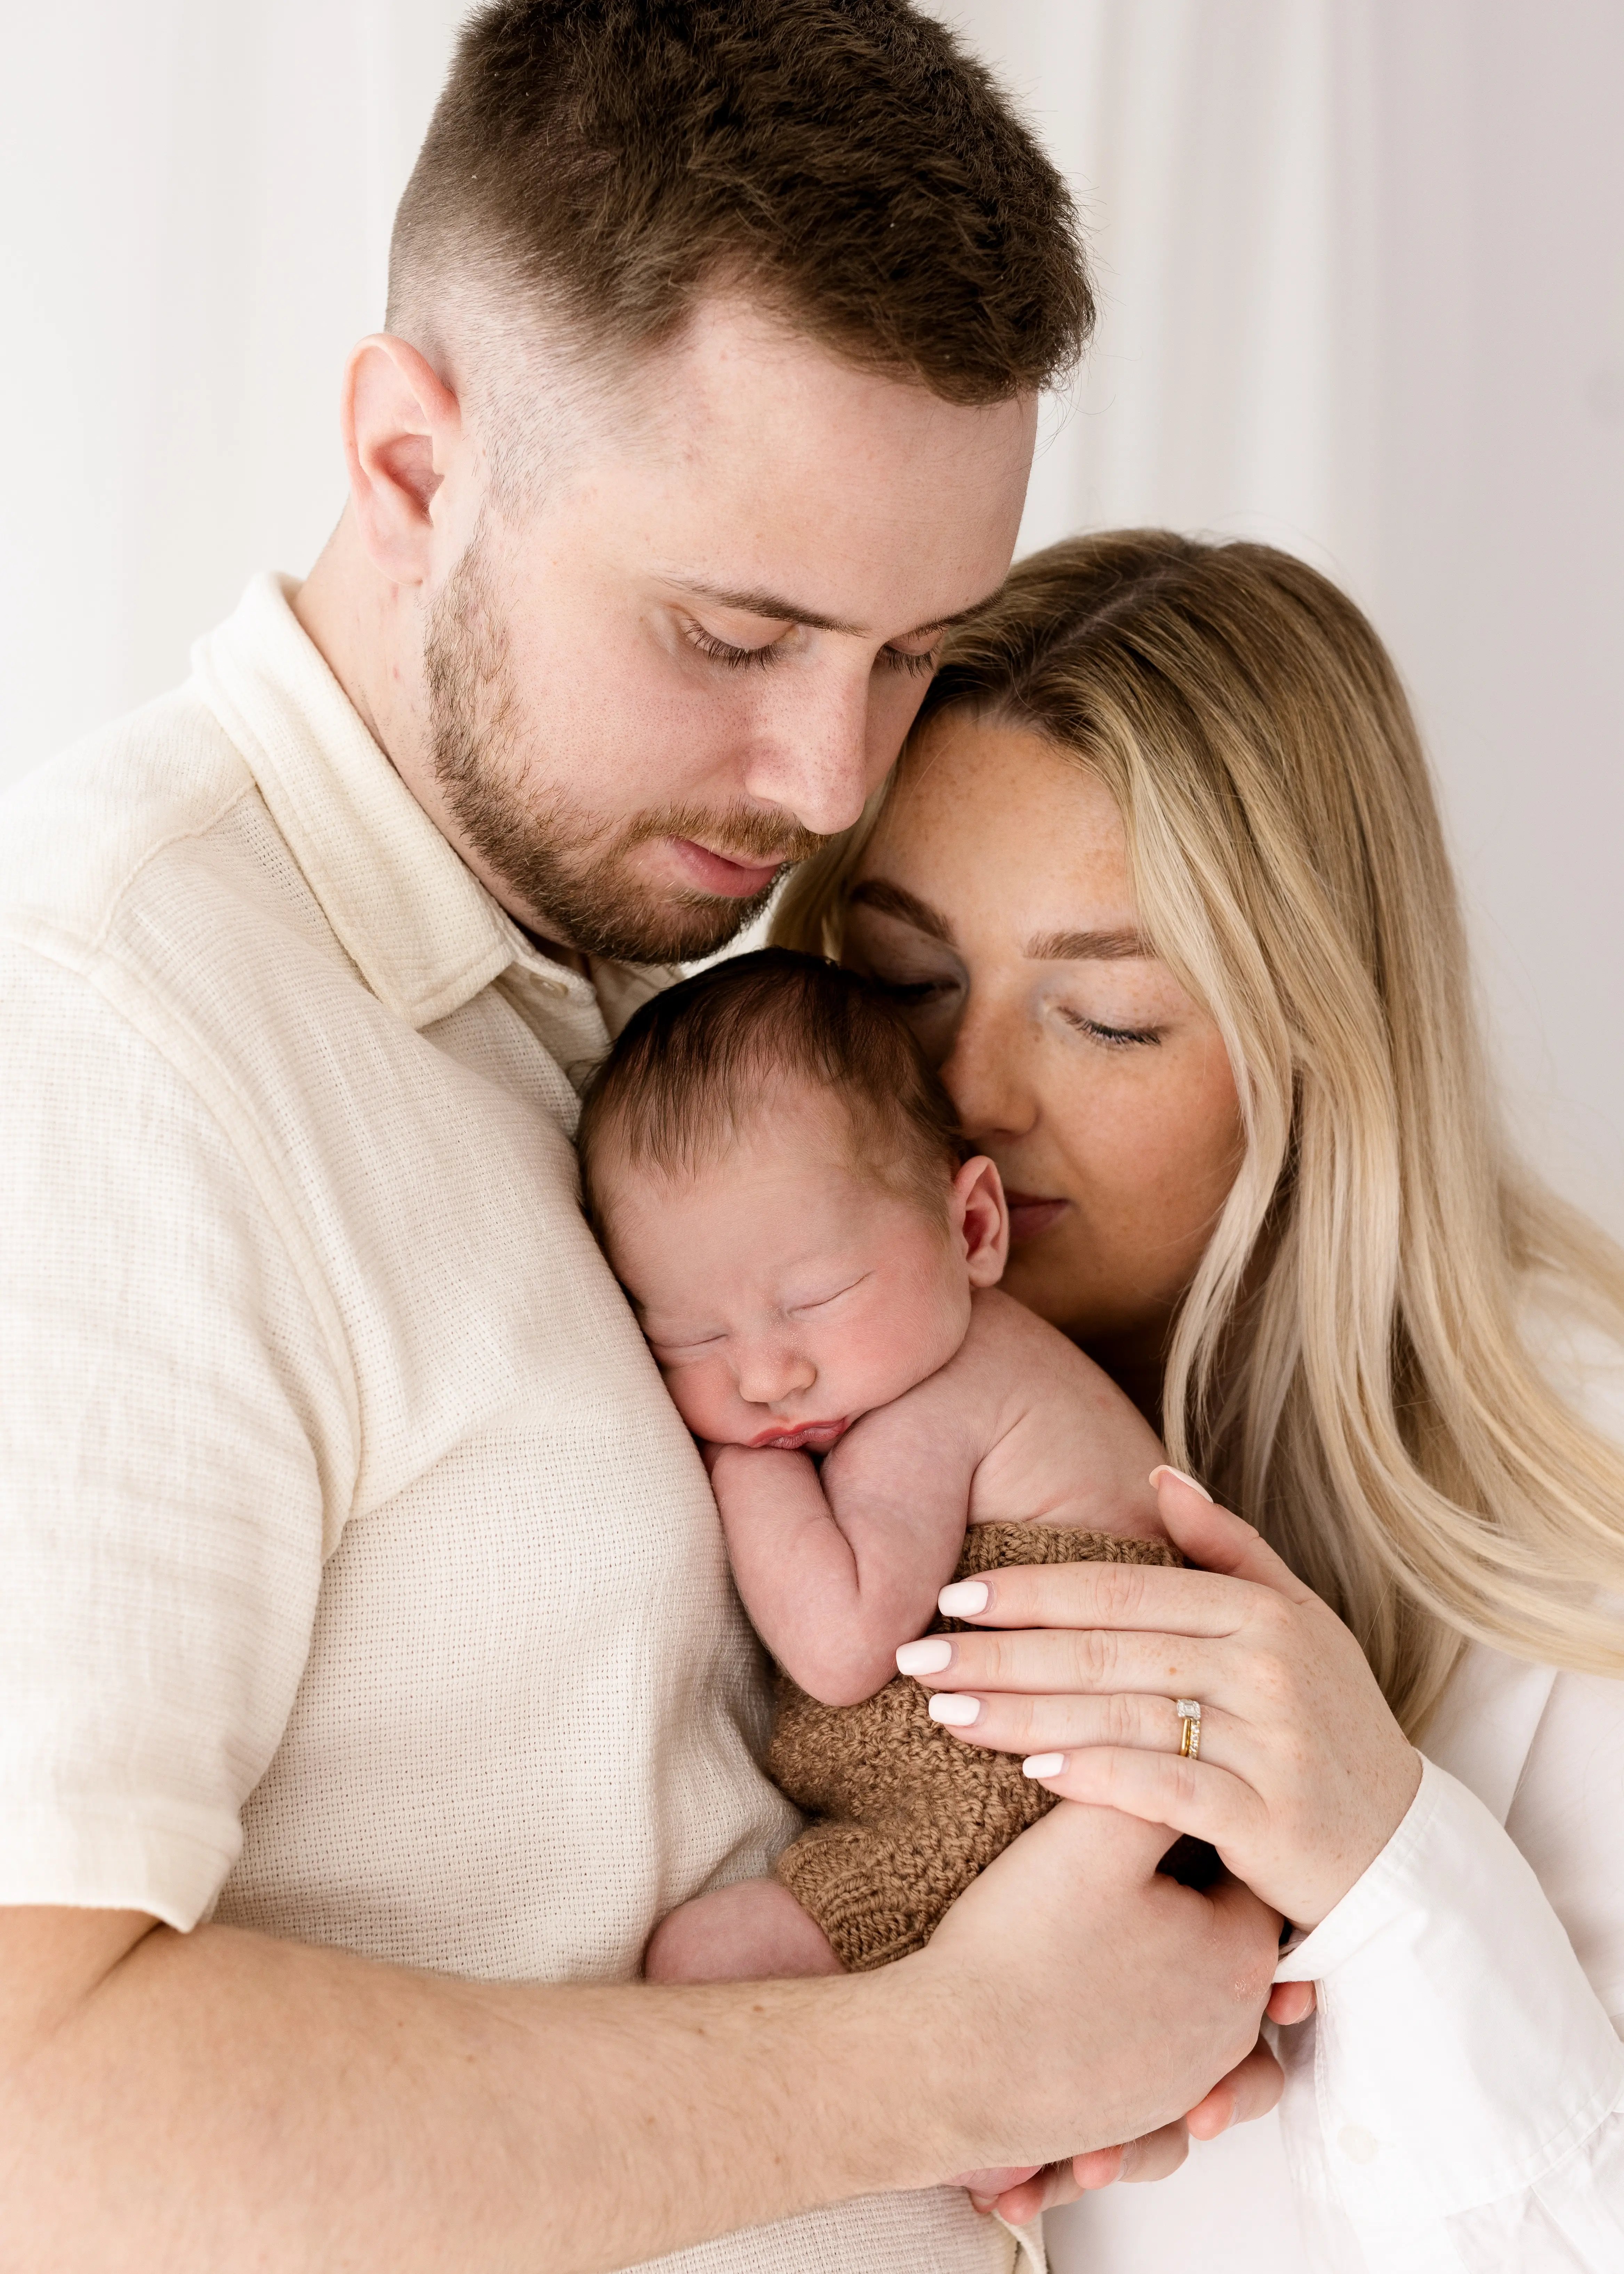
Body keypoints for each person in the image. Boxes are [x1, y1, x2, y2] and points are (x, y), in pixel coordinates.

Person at [0, 10, 1286, 2271]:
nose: (820, 777)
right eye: (730, 633)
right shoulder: (111, 1035)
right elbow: (30, 2117)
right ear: (411, 467)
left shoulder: (622, 998)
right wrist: (967, 2053)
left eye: (903, 654)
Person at [775, 528, 1624, 2270]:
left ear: (1323, 1045)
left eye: (1106, 1017)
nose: (964, 1092)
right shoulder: (767, 1383)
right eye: (906, 981)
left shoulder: (1578, 1516)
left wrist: (1389, 1863)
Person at [576, 947, 1171, 1997]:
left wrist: (737, 1467)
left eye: (816, 1298)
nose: (764, 1373)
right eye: (687, 1336)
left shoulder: (952, 1393)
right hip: (1033, 1804)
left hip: (1010, 1812)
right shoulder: (908, 1362)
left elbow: (848, 1644)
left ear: (973, 1227)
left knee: (701, 1963)